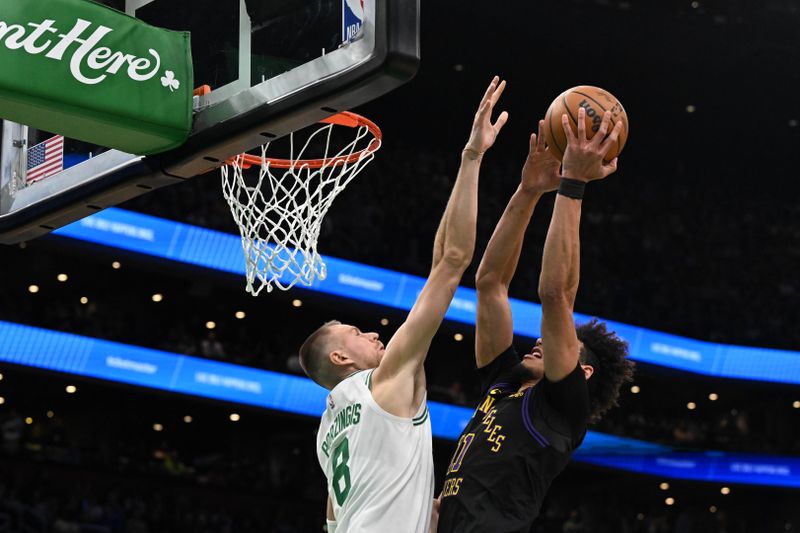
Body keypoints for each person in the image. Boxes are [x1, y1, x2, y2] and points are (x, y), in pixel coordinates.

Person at [299, 76, 509, 533]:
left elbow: (335, 522)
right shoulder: (385, 380)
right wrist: (471, 157)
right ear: (340, 358)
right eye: (356, 334)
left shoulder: (327, 433)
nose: (373, 333)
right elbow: (451, 261)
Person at [436, 107, 635, 532]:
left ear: (581, 371)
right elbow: (490, 281)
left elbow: (556, 296)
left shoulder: (562, 407)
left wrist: (574, 184)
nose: (541, 342)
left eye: (560, 345)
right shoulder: (505, 380)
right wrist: (528, 192)